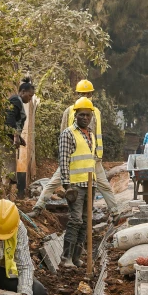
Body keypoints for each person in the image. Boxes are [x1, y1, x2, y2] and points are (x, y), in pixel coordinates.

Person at [28, 80, 119, 220]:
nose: (85, 96)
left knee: (104, 185)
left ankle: (115, 212)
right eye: (82, 94)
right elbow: (63, 132)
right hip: (73, 158)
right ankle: (38, 207)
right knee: (53, 183)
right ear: (77, 94)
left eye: (87, 94)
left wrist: (97, 154)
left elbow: (96, 134)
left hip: (93, 159)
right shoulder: (70, 111)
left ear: (91, 94)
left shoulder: (96, 112)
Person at [57, 97, 97, 269]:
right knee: (75, 220)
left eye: (88, 116)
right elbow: (64, 160)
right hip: (76, 185)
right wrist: (67, 185)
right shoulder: (68, 134)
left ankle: (76, 257)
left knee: (86, 221)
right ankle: (66, 258)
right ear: (75, 115)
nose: (85, 118)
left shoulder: (91, 135)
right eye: (82, 115)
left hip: (90, 184)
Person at [4, 78, 36, 187]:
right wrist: (16, 137)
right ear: (22, 92)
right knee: (7, 170)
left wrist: (20, 139)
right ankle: (4, 195)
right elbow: (10, 118)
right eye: (29, 96)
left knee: (10, 169)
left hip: (9, 140)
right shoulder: (15, 100)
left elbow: (15, 122)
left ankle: (7, 194)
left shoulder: (18, 101)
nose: (30, 99)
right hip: (5, 140)